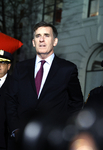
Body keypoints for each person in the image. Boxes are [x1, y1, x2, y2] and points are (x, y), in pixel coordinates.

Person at [6, 21, 84, 149]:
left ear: (55, 41)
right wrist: (15, 128)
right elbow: (10, 99)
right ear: (33, 42)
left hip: (53, 140)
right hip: (22, 139)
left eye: (47, 35)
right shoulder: (21, 68)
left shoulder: (67, 69)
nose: (41, 39)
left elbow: (76, 102)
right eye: (38, 36)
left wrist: (64, 128)